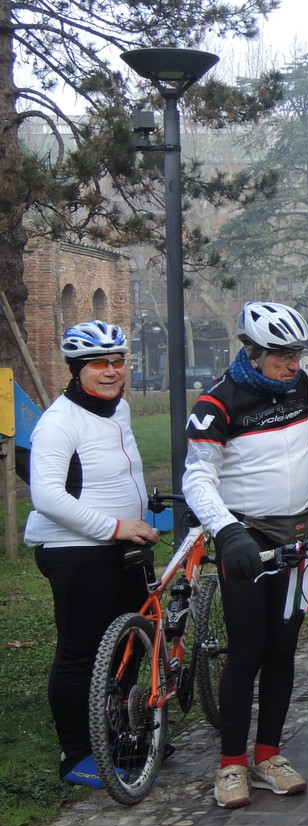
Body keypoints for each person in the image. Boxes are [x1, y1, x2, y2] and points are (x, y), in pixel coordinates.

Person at [184, 302, 308, 810]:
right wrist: (227, 532)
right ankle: (231, 764)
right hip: (247, 543)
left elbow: (303, 446)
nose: (292, 364)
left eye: (297, 353)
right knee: (247, 654)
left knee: (282, 651)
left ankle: (268, 755)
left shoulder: (299, 388)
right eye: (281, 355)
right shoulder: (217, 403)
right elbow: (197, 479)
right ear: (251, 352)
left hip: (296, 540)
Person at [25, 322, 159, 786]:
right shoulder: (59, 422)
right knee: (81, 653)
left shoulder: (116, 408)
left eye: (118, 361)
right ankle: (77, 754)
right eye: (98, 364)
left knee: (128, 642)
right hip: (76, 551)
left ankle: (117, 738)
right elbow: (47, 496)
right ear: (76, 369)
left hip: (124, 546)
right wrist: (114, 526)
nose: (110, 372)